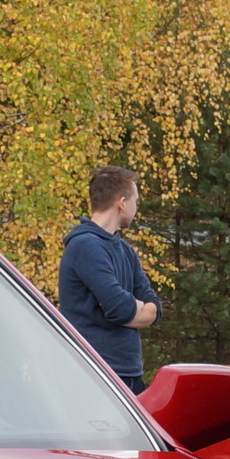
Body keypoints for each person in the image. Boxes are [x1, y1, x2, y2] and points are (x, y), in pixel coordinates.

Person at [60, 167, 160, 392]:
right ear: (122, 203)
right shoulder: (85, 245)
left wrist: (136, 308)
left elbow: (154, 306)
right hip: (94, 373)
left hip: (129, 373)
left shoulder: (125, 250)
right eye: (135, 201)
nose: (136, 208)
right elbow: (119, 308)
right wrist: (136, 308)